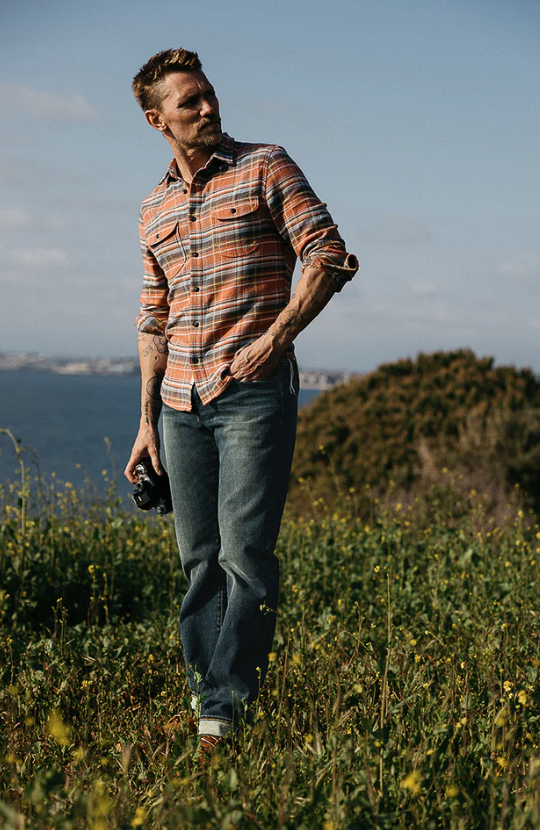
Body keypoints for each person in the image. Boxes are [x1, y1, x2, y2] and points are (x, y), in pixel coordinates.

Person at [124, 48, 358, 755]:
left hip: (252, 393)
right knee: (199, 560)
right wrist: (144, 424)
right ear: (155, 119)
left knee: (245, 558)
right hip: (177, 402)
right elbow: (152, 318)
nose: (206, 107)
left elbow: (328, 255)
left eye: (207, 94)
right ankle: (207, 700)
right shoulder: (153, 206)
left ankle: (223, 712)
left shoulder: (265, 165)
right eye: (187, 102)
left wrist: (277, 338)